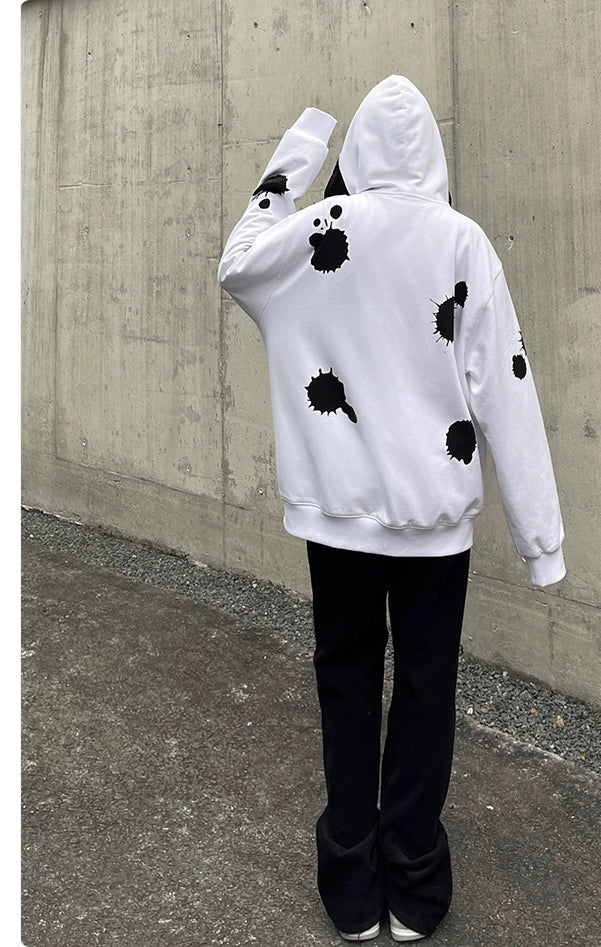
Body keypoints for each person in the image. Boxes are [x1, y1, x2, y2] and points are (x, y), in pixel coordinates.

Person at [218, 75, 565, 943]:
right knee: (423, 689)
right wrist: (541, 540)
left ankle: (349, 885)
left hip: (335, 518)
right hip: (435, 524)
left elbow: (237, 257)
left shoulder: (313, 236)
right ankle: (413, 881)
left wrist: (303, 143)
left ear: (358, 152)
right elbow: (507, 392)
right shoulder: (462, 242)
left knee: (345, 682)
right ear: (436, 158)